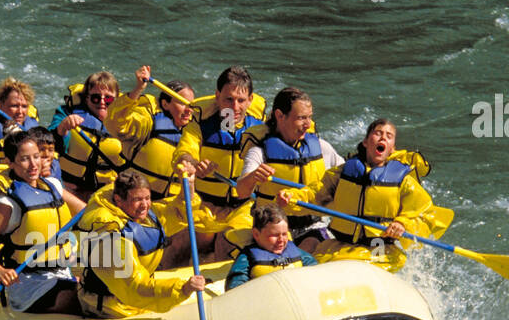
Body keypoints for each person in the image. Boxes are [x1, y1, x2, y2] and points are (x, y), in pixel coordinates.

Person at [307, 118, 448, 271]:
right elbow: (314, 193)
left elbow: (427, 215)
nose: (383, 138)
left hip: (380, 252)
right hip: (341, 248)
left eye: (389, 136)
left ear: (392, 149)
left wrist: (403, 224)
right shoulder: (342, 173)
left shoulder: (403, 181)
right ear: (366, 142)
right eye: (378, 133)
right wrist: (291, 195)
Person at [0, 128, 86, 313]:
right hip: (28, 285)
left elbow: (87, 212)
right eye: (25, 159)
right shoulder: (6, 203)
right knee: (91, 300)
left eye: (36, 157)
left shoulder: (54, 186)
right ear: (10, 162)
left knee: (102, 288)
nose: (33, 165)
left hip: (62, 274)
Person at [75, 170, 207, 319]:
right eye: (137, 199)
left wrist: (187, 190)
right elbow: (133, 288)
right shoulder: (110, 237)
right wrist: (182, 289)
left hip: (136, 302)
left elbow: (176, 214)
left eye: (148, 198)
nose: (145, 205)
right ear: (118, 200)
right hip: (111, 309)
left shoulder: (143, 215)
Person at [172, 65, 267, 258]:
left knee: (228, 242)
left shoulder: (262, 125)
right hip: (205, 203)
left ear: (250, 100)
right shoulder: (200, 122)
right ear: (217, 96)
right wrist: (193, 164)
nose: (235, 107)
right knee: (186, 242)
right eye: (228, 99)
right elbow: (184, 152)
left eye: (241, 100)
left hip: (243, 206)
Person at [233, 86, 343, 253]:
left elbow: (346, 176)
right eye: (301, 118)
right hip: (271, 231)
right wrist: (253, 177)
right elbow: (241, 191)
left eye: (309, 118)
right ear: (280, 116)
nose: (308, 124)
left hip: (311, 227)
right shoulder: (260, 151)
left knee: (309, 248)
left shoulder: (321, 147)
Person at [108, 66, 196, 201]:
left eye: (191, 105)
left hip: (169, 204)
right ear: (165, 104)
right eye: (182, 103)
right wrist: (138, 89)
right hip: (132, 198)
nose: (188, 110)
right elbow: (117, 122)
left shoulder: (194, 133)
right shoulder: (148, 122)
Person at [50, 71, 125, 197]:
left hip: (103, 191)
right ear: (86, 98)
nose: (102, 102)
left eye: (108, 99)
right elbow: (47, 144)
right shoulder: (66, 113)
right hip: (68, 187)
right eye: (96, 97)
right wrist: (62, 128)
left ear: (116, 100)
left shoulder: (127, 122)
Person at [224, 203, 316, 290]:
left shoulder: (297, 252)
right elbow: (235, 286)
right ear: (256, 234)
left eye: (284, 234)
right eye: (274, 235)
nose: (281, 240)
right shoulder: (247, 257)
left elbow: (315, 270)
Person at [0, 78, 41, 159]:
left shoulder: (32, 125)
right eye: (14, 106)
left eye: (24, 106)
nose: (20, 111)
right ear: (0, 105)